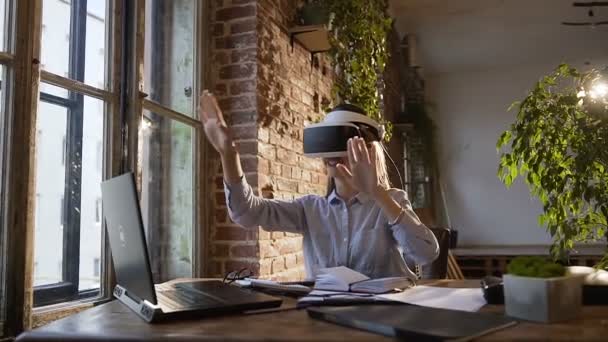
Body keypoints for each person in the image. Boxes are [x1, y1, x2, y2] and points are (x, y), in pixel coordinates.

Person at [199, 90, 439, 280]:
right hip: (327, 321)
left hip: (384, 318)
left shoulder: (392, 201)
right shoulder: (310, 209)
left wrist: (376, 192)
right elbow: (246, 213)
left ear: (367, 149)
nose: (331, 152)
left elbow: (426, 254)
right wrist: (228, 155)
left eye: (341, 141)